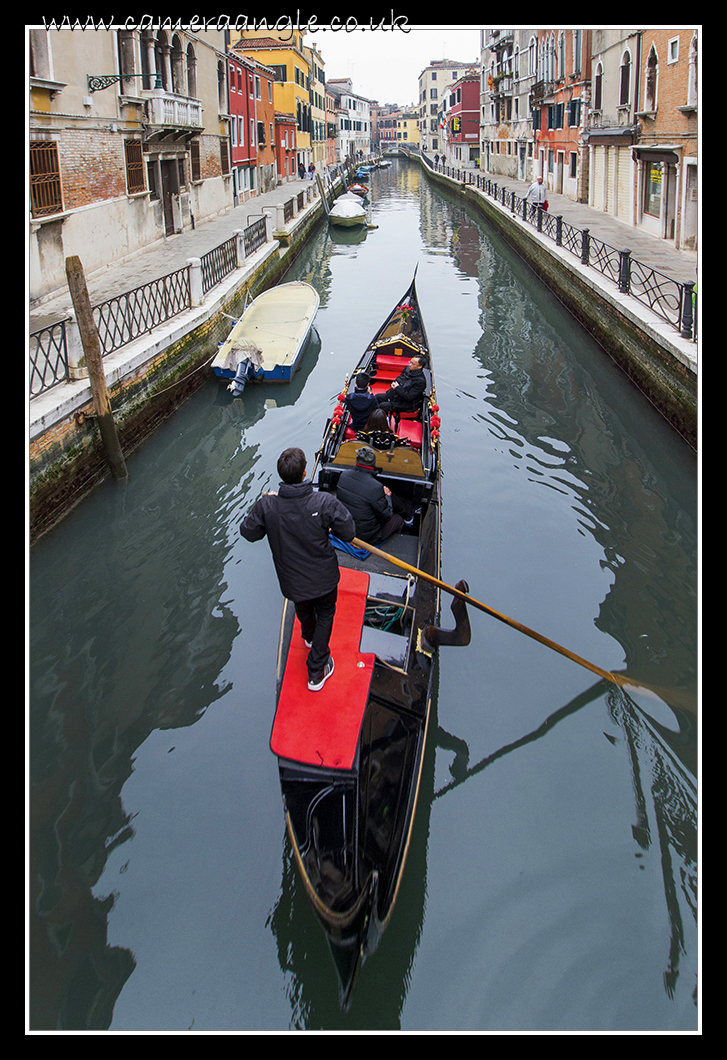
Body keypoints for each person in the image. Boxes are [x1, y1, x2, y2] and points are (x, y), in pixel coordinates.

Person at [239, 447, 355, 691]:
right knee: (325, 613)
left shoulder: (268, 506)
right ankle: (317, 670)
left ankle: (310, 637)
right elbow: (349, 532)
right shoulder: (323, 501)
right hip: (323, 578)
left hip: (292, 581)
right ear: (304, 473)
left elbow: (249, 532)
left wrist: (264, 504)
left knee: (303, 605)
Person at [336, 447, 405, 545]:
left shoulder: (343, 476)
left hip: (345, 529)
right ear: (373, 464)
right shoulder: (376, 487)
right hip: (366, 538)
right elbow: (386, 516)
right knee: (398, 519)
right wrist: (387, 495)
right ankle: (390, 546)